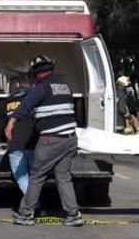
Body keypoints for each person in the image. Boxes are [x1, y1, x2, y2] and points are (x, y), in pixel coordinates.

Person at [6, 55, 83, 228]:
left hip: (51, 139)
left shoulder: (41, 88)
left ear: (37, 73)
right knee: (63, 177)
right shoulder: (64, 86)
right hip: (70, 138)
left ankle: (25, 214)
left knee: (36, 176)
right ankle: (73, 214)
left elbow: (25, 106)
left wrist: (11, 122)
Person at [0, 80, 37, 195]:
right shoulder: (35, 101)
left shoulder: (6, 102)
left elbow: (0, 125)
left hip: (15, 145)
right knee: (35, 176)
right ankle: (33, 202)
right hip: (33, 143)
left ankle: (32, 203)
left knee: (21, 176)